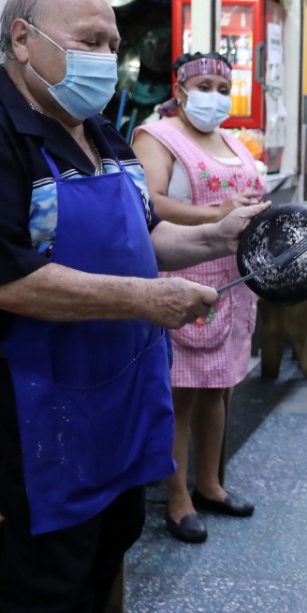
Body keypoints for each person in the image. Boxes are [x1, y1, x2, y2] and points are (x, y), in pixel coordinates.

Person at [0, 0, 268, 613]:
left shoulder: (95, 132)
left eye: (112, 41)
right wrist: (146, 301)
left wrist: (222, 236)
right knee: (51, 574)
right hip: (32, 398)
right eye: (90, 40)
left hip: (117, 386)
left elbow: (144, 237)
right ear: (23, 40)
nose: (106, 55)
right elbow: (5, 282)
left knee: (114, 534)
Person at [132, 52, 263, 544]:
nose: (214, 95)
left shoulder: (232, 139)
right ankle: (178, 498)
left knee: (220, 389)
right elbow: (151, 202)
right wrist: (215, 214)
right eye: (203, 84)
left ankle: (210, 484)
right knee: (180, 394)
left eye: (222, 86)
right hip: (187, 273)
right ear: (181, 89)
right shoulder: (157, 137)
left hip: (234, 279)